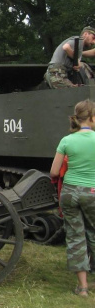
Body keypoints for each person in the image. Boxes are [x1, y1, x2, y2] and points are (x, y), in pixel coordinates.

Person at [50, 99, 95, 297]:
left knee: (76, 236)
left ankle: (83, 287)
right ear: (92, 118)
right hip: (92, 192)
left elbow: (53, 171)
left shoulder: (66, 140)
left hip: (69, 193)